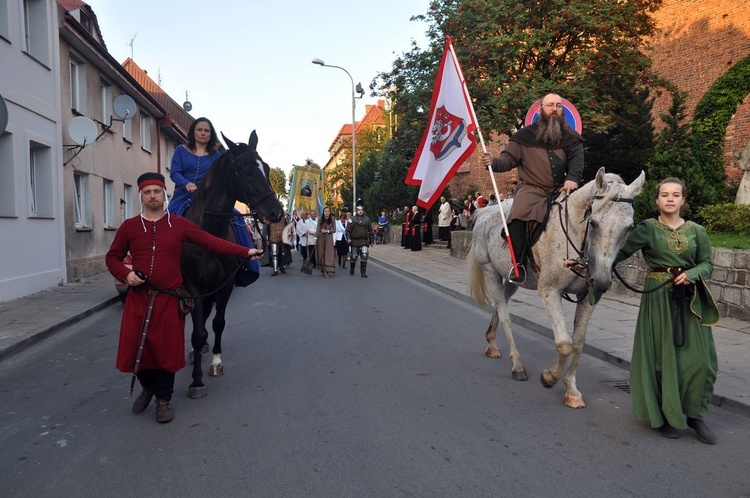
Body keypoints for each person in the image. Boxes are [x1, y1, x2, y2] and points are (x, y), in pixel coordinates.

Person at [106, 172, 263, 424]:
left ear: (164, 195)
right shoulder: (130, 227)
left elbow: (212, 242)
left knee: (166, 353)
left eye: (157, 191)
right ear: (141, 197)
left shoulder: (178, 224)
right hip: (139, 298)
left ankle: (163, 401)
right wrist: (125, 275)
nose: (152, 196)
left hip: (168, 299)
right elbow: (112, 258)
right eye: (147, 192)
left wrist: (245, 250)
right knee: (139, 349)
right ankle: (148, 388)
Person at [612, 178, 719, 444]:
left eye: (675, 194)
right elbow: (617, 253)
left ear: (683, 200)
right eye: (664, 194)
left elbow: (706, 263)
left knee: (701, 362)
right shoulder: (647, 228)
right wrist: (584, 262)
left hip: (689, 299)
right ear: (657, 200)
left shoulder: (697, 231)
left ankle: (695, 415)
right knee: (661, 359)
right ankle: (661, 416)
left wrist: (694, 273)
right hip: (658, 298)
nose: (670, 199)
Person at [481, 92, 584, 283]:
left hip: (562, 189)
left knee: (585, 216)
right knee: (519, 216)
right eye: (550, 105)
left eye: (558, 106)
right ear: (540, 109)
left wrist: (572, 179)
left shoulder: (571, 137)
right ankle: (518, 264)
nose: (554, 109)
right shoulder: (523, 136)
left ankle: (584, 262)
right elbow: (508, 160)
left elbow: (577, 162)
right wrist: (493, 161)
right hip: (532, 190)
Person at [167, 117, 221, 216]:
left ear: (211, 134)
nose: (203, 133)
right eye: (199, 130)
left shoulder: (217, 155)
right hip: (183, 194)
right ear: (193, 132)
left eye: (207, 131)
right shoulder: (181, 150)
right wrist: (186, 183)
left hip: (208, 196)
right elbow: (175, 173)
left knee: (236, 220)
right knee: (168, 220)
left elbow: (220, 178)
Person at [345, 200, 373, 278]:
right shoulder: (352, 219)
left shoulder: (367, 219)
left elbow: (370, 230)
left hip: (364, 240)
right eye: (359, 210)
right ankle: (352, 268)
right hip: (355, 240)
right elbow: (347, 230)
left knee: (364, 255)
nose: (360, 212)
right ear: (357, 211)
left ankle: (363, 272)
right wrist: (348, 238)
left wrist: (371, 240)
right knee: (354, 256)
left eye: (361, 210)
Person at [316, 206, 336, 277]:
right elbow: (318, 229)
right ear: (323, 212)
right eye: (325, 211)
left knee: (328, 253)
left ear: (330, 212)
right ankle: (322, 267)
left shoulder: (332, 220)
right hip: (321, 237)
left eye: (328, 211)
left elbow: (334, 229)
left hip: (329, 238)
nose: (327, 212)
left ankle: (326, 270)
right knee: (321, 253)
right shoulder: (320, 219)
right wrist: (316, 238)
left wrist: (327, 231)